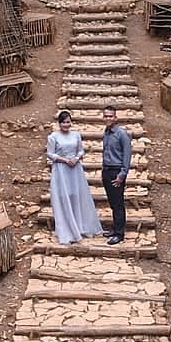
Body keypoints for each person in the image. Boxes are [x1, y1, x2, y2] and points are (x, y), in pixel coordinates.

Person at [46, 110, 104, 245]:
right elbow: (50, 154)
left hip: (75, 168)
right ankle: (66, 227)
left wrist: (76, 158)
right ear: (59, 123)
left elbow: (81, 150)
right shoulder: (53, 137)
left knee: (76, 194)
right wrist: (65, 160)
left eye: (68, 122)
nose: (66, 125)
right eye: (64, 122)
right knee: (63, 195)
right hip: (61, 169)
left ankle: (79, 224)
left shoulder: (76, 135)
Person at [101, 104, 132, 245]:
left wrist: (122, 174)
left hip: (116, 172)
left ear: (115, 117)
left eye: (110, 116)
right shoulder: (106, 132)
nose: (108, 118)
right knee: (112, 203)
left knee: (118, 203)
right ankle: (114, 228)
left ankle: (119, 234)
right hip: (106, 170)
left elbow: (127, 155)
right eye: (106, 116)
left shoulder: (122, 134)